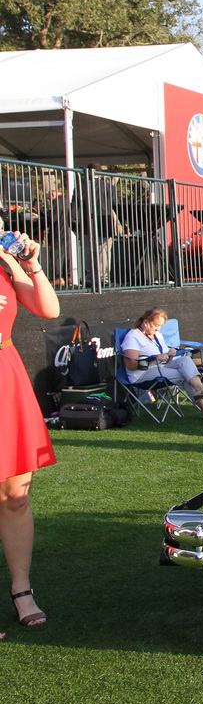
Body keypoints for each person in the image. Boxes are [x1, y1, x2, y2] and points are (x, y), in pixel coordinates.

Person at [0, 229, 60, 633]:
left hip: (5, 376)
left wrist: (30, 263)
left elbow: (49, 309)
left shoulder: (4, 260)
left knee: (16, 496)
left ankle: (21, 588)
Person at [121, 307, 203, 422]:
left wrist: (170, 354)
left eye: (160, 326)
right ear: (145, 322)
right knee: (185, 376)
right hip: (141, 374)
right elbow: (131, 365)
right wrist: (153, 358)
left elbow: (165, 359)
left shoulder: (157, 336)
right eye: (156, 325)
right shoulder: (133, 337)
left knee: (185, 361)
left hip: (161, 368)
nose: (158, 328)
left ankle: (200, 388)